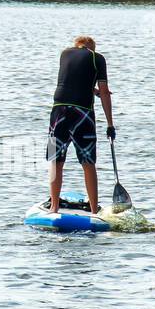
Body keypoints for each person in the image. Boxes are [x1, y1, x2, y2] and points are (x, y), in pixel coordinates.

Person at [46, 35, 115, 215]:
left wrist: (94, 91)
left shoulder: (64, 54)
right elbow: (106, 92)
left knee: (55, 160)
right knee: (88, 162)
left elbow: (72, 81)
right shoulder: (97, 58)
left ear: (76, 46)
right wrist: (110, 124)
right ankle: (93, 211)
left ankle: (54, 207)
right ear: (91, 48)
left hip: (58, 111)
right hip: (82, 113)